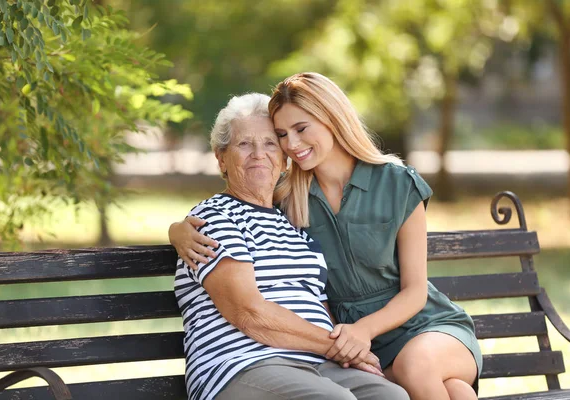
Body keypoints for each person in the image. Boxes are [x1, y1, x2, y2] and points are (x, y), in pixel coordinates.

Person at [170, 73, 483, 400]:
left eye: (297, 131)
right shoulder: (288, 199)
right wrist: (178, 231)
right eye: (282, 135)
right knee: (447, 389)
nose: (289, 145)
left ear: (333, 119)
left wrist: (352, 338)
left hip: (408, 329)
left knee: (414, 377)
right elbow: (234, 204)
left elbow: (416, 290)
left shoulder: (392, 183)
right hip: (334, 348)